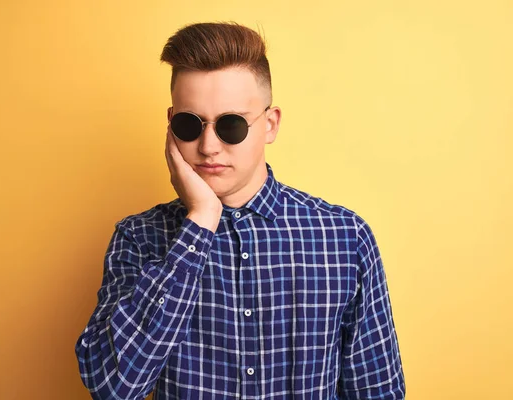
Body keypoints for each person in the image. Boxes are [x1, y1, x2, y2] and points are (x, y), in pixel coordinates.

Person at [75, 21, 406, 400]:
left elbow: (377, 392)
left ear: (270, 124)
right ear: (170, 126)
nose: (209, 146)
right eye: (189, 124)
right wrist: (199, 221)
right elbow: (114, 387)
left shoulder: (345, 239)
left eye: (231, 125)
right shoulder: (137, 238)